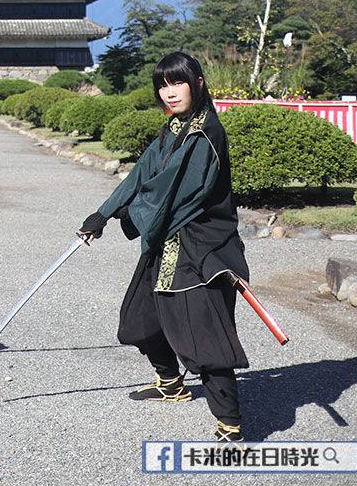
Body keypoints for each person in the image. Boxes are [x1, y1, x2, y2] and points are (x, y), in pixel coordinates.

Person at [78, 52, 250, 443]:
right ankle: (171, 384)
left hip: (199, 247)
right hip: (165, 240)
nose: (169, 92)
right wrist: (103, 213)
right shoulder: (174, 126)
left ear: (199, 83)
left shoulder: (205, 134)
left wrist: (128, 216)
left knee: (204, 337)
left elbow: (172, 192)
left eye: (177, 83)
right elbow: (143, 172)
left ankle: (231, 424)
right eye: (163, 84)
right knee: (139, 321)